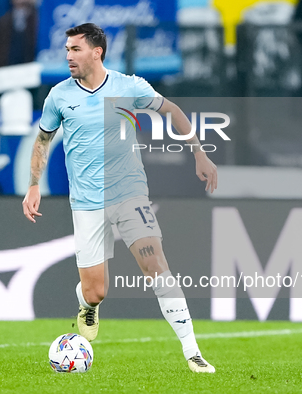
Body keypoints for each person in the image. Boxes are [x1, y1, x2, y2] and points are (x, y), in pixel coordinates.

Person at [22, 23, 218, 373]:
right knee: (96, 291)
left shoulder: (129, 87)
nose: (68, 56)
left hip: (129, 194)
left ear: (96, 52)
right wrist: (34, 184)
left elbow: (170, 110)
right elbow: (42, 140)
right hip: (86, 203)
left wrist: (199, 153)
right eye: (67, 49)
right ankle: (87, 304)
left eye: (75, 49)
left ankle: (193, 352)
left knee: (155, 264)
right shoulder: (59, 96)